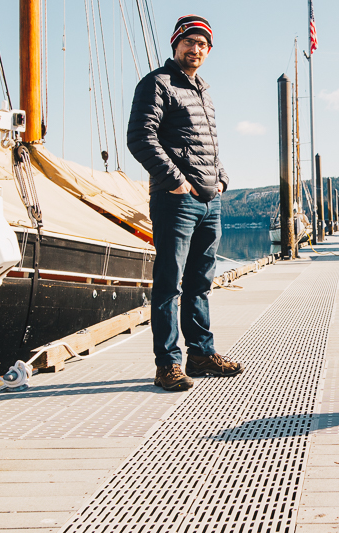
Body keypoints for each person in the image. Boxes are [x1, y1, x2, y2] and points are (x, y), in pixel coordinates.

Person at [127, 14, 242, 391]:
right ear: (175, 44)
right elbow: (140, 137)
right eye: (189, 42)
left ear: (209, 51)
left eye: (202, 44)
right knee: (168, 285)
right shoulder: (157, 84)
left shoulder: (203, 90)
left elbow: (207, 142)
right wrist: (176, 181)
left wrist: (221, 177)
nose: (196, 49)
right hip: (175, 201)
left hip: (211, 201)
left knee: (200, 283)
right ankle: (168, 364)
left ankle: (201, 354)